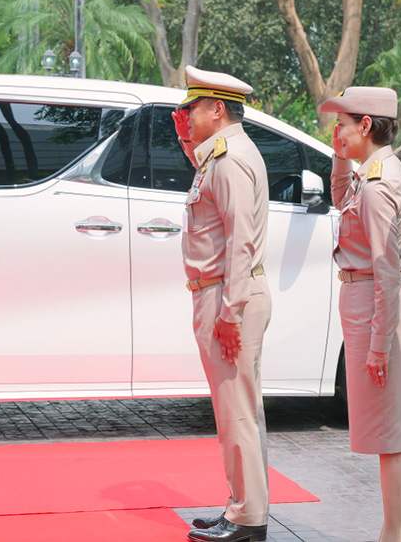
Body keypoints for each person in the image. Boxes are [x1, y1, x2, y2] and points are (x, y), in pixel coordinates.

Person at [173, 66, 272, 542]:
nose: (186, 115)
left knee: (236, 411)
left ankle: (247, 518)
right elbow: (213, 206)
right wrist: (189, 148)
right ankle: (241, 506)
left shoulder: (230, 159)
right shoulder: (220, 156)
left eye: (192, 108)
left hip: (227, 295)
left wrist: (230, 312)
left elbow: (239, 242)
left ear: (217, 109)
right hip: (220, 293)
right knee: (237, 409)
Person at [320, 87, 401, 542]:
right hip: (360, 301)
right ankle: (391, 530)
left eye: (343, 123)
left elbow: (387, 273)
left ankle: (393, 534)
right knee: (382, 430)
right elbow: (341, 197)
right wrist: (340, 157)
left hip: (371, 303)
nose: (337, 130)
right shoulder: (371, 173)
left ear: (367, 126)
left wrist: (379, 346)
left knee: (389, 433)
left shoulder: (378, 184)